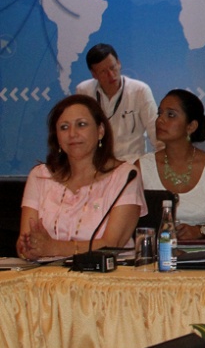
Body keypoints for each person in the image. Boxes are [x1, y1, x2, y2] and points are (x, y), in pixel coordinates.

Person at [18, 95, 146, 259]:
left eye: (81, 124)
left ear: (100, 131)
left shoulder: (125, 176)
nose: (72, 133)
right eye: (64, 127)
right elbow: (25, 242)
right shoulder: (40, 176)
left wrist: (53, 247)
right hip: (46, 273)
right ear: (57, 137)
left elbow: (113, 244)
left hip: (107, 273)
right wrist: (28, 248)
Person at [139, 89, 205, 242]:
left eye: (171, 115)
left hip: (204, 253)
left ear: (191, 126)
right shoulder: (142, 166)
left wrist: (199, 231)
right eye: (160, 113)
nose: (160, 120)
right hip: (157, 253)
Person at [75, 43, 159, 162]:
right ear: (94, 74)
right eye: (103, 71)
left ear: (119, 63)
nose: (111, 75)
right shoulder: (84, 91)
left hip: (132, 163)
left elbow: (157, 133)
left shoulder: (140, 91)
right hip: (98, 163)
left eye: (112, 67)